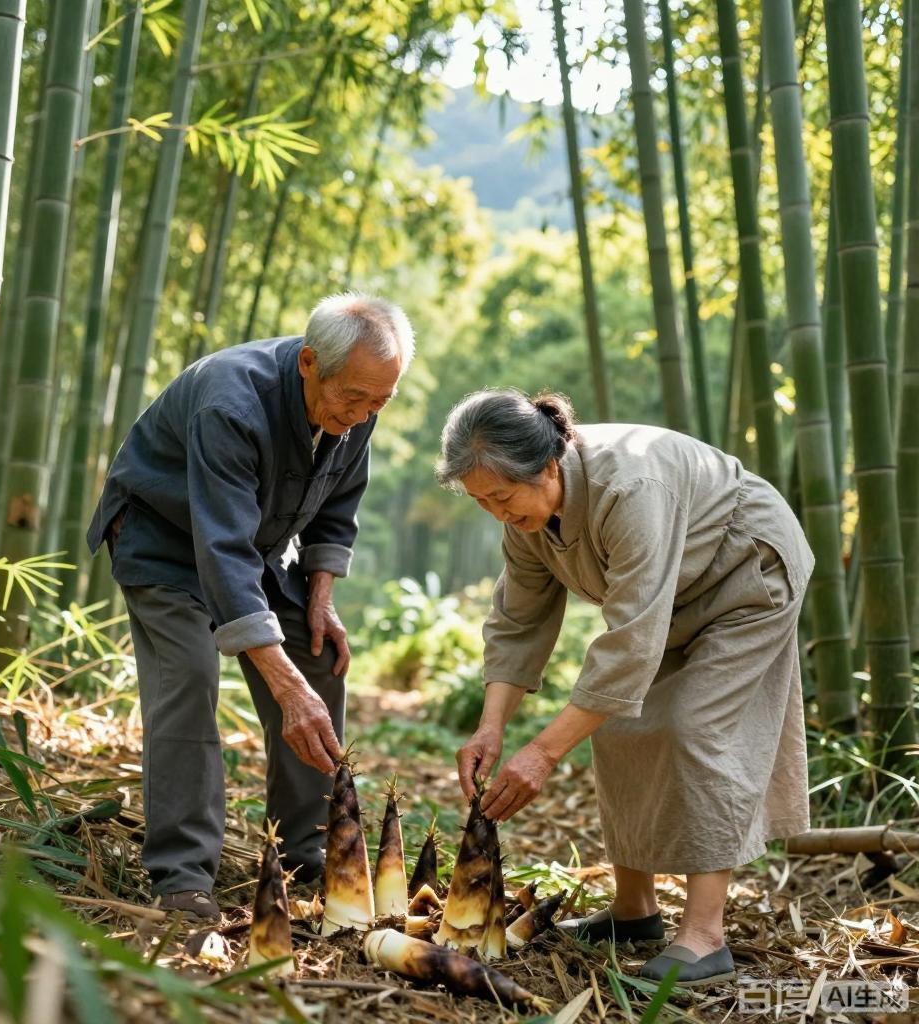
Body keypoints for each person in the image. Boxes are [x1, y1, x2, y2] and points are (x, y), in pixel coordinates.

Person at [437, 388, 813, 986]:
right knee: (616, 725)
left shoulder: (631, 487)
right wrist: (492, 726)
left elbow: (632, 640)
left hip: (746, 576)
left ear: (547, 465)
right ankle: (634, 910)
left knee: (694, 727)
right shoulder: (526, 518)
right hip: (673, 598)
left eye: (503, 496)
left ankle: (705, 935)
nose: (498, 513)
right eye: (483, 502)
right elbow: (518, 621)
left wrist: (543, 751)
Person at [87, 293, 414, 919]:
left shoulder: (358, 397)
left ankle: (307, 851)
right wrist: (284, 688)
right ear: (310, 363)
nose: (366, 413)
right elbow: (222, 551)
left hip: (254, 549)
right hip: (165, 541)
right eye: (355, 398)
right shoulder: (230, 400)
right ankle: (182, 874)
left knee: (317, 655)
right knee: (188, 675)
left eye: (381, 401)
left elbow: (339, 503)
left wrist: (321, 597)